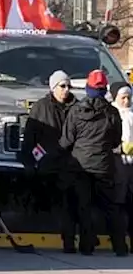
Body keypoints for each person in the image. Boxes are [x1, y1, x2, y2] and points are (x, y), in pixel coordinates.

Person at [60, 69, 128, 256]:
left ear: (88, 88)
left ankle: (86, 246)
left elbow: (67, 140)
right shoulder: (112, 112)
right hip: (105, 166)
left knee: (84, 207)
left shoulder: (76, 111)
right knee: (111, 208)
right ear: (105, 89)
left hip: (80, 166)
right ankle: (120, 247)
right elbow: (116, 141)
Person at [19, 69, 79, 253]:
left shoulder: (77, 107)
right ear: (53, 88)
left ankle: (69, 241)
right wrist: (29, 160)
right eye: (62, 86)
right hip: (47, 163)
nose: (66, 90)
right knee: (46, 199)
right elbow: (30, 137)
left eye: (69, 86)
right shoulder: (40, 107)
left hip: (71, 163)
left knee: (70, 203)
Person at [112, 84, 133, 252]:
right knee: (118, 205)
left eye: (129, 98)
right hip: (117, 165)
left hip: (131, 165)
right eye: (123, 98)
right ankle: (119, 243)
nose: (126, 101)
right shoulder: (111, 114)